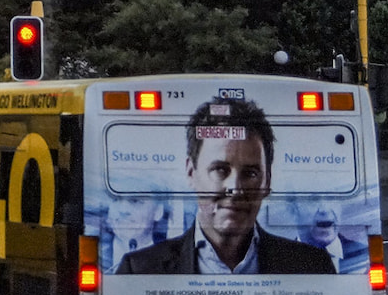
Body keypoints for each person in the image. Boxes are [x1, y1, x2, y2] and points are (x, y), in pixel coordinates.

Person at [117, 99, 333, 275]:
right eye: (220, 170)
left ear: (267, 181)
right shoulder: (138, 269)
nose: (235, 189)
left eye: (250, 173)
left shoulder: (313, 266)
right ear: (191, 173)